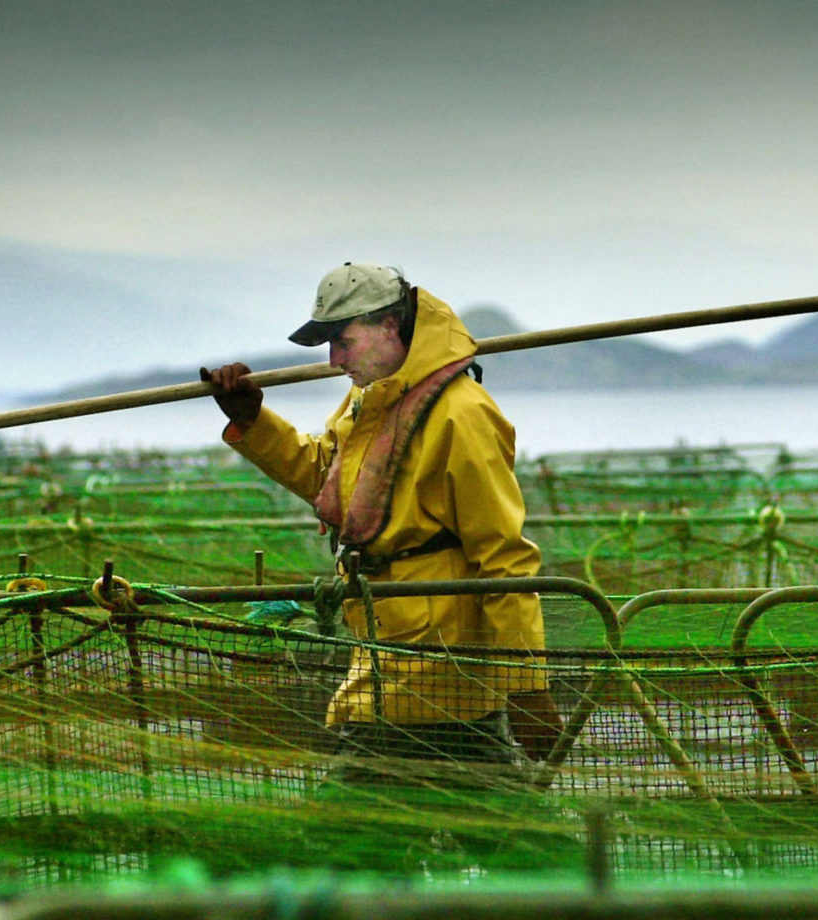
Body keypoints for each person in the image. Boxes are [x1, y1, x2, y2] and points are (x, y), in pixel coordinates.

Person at [200, 263, 561, 778]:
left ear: (389, 326)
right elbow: (329, 477)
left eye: (343, 341)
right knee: (488, 824)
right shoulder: (371, 398)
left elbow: (504, 558)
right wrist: (251, 420)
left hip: (436, 663)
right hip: (381, 650)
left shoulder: (462, 414)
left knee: (363, 823)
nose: (334, 361)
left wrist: (528, 684)